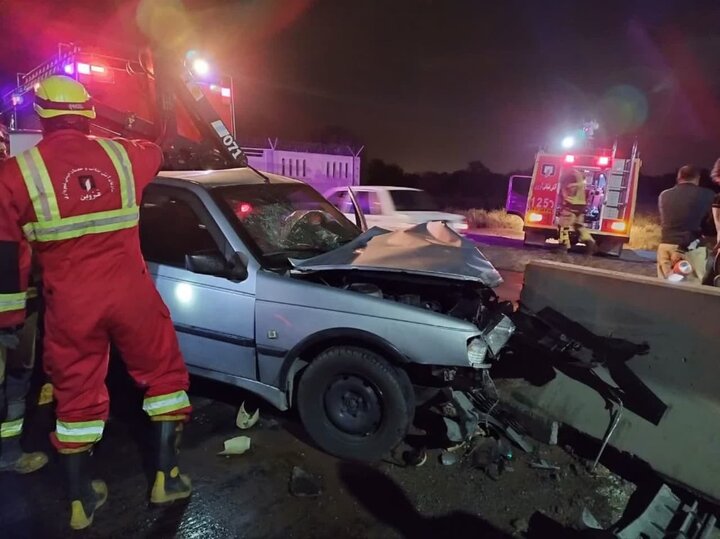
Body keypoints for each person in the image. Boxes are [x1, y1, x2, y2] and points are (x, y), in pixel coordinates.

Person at [0, 75, 192, 530]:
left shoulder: (15, 174)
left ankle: (80, 502)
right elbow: (159, 146)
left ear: (40, 116)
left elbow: (8, 254)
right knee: (164, 376)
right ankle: (167, 477)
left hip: (71, 305)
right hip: (131, 294)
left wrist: (9, 317)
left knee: (76, 393)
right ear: (88, 112)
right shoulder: (124, 156)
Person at [0, 123, 49, 474]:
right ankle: (9, 454)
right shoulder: (12, 181)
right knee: (16, 376)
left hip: (18, 299)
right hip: (14, 304)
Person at [657, 165, 714, 279]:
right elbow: (708, 226)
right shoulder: (708, 195)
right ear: (697, 178)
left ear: (678, 177)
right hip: (692, 249)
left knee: (664, 289)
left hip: (666, 246)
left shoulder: (664, 195)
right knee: (691, 291)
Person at [557, 170, 597, 253]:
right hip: (581, 206)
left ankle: (563, 246)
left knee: (563, 225)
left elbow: (566, 191)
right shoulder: (581, 181)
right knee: (579, 225)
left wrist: (564, 200)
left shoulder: (570, 177)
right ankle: (590, 242)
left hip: (571, 205)